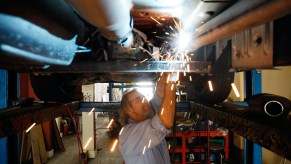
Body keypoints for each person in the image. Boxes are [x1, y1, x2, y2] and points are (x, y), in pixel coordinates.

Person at [118, 72, 176, 164]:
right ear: (127, 110)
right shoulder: (128, 134)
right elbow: (165, 122)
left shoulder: (147, 115)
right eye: (138, 99)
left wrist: (166, 70)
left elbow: (160, 92)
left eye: (143, 96)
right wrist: (172, 80)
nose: (144, 100)